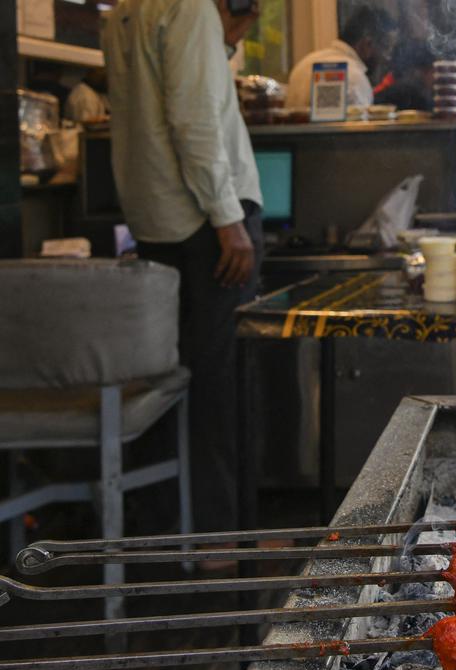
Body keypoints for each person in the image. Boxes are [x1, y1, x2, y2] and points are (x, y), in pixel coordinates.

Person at [103, 0, 263, 533]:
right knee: (221, 380)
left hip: (156, 221)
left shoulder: (124, 11)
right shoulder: (190, 7)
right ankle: (224, 534)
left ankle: (171, 527)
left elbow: (172, 95)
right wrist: (228, 219)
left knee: (168, 380)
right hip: (204, 222)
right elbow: (194, 119)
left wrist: (227, 36)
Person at [286, 6, 397, 110]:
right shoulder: (354, 78)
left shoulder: (305, 63)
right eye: (386, 48)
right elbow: (357, 129)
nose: (387, 58)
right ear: (367, 44)